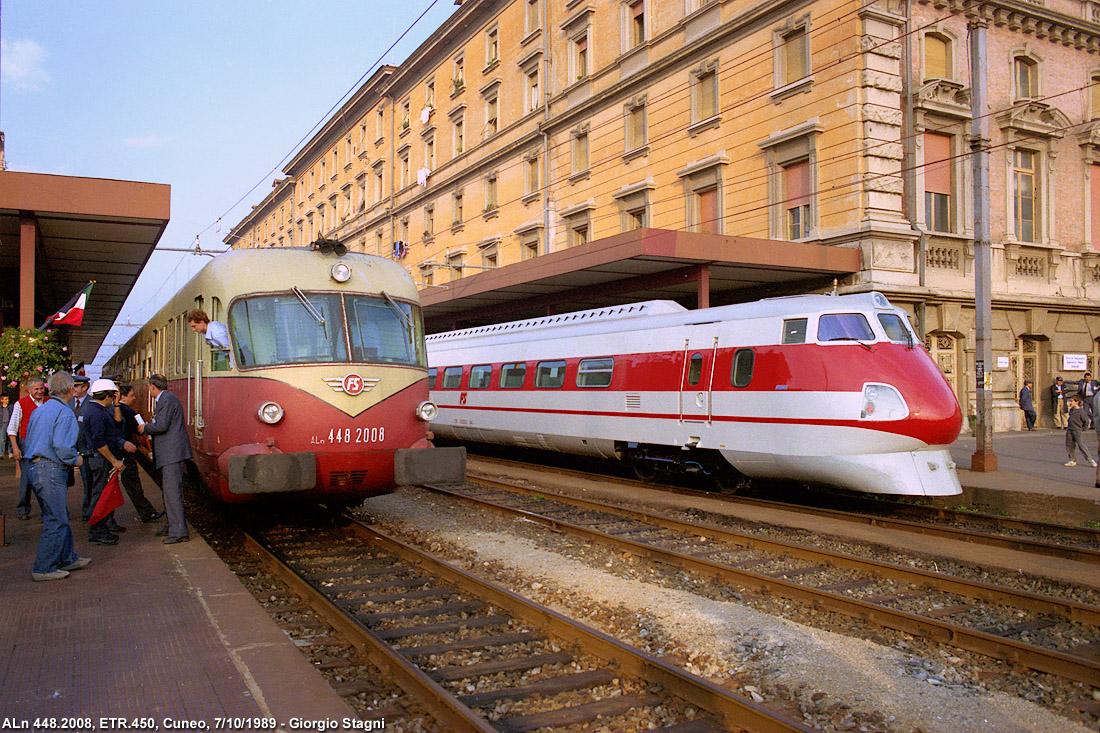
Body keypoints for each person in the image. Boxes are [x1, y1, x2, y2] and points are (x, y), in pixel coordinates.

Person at [23, 371, 90, 581]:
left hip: (35, 468)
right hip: (50, 468)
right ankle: (44, 568)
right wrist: (75, 459)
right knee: (56, 520)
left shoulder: (40, 410)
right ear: (71, 390)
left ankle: (67, 557)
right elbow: (62, 446)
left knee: (57, 516)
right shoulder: (65, 412)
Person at [138, 373, 192, 544]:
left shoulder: (166, 400)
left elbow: (162, 425)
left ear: (153, 387)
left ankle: (178, 531)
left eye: (149, 387)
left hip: (172, 453)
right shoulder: (167, 399)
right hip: (170, 453)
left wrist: (145, 427)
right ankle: (172, 526)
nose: (149, 389)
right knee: (169, 492)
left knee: (172, 493)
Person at [83, 378, 136, 545]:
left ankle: (102, 529)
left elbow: (117, 422)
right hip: (101, 460)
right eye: (112, 397)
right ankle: (97, 531)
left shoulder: (97, 409)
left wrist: (117, 404)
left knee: (102, 495)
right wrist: (114, 461)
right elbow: (99, 442)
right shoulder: (97, 413)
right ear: (107, 396)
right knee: (100, 496)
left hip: (100, 459)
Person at [117, 383, 164, 523]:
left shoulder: (112, 409)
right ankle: (147, 513)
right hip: (126, 452)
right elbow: (139, 430)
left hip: (117, 451)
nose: (134, 398)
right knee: (133, 484)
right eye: (131, 395)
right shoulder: (128, 412)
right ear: (123, 397)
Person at [7, 376, 48, 519]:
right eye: (36, 389)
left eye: (41, 388)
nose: (39, 392)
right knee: (27, 476)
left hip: (45, 443)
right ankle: (23, 508)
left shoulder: (49, 402)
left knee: (45, 477)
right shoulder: (21, 404)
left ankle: (46, 510)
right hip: (27, 442)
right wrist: (15, 447)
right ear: (29, 390)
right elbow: (12, 428)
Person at [71, 375, 95, 520]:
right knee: (84, 480)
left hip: (87, 450)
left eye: (75, 386)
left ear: (84, 387)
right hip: (75, 449)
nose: (72, 389)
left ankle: (88, 512)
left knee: (89, 482)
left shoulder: (90, 404)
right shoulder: (70, 403)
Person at [1066, 396, 1097, 466]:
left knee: (1081, 445)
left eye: (1072, 401)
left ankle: (1090, 460)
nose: (1070, 403)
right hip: (1070, 429)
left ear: (1077, 402)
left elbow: (1086, 421)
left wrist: (1083, 429)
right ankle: (1072, 460)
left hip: (1077, 430)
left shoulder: (1081, 412)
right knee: (1069, 445)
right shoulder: (1071, 410)